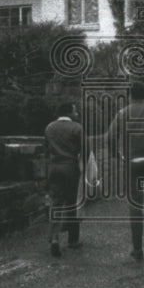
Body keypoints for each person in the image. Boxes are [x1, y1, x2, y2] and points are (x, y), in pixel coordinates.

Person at [102, 82, 144, 260]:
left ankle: (137, 248)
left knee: (135, 204)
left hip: (132, 164)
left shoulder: (122, 114)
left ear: (130, 96)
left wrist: (117, 155)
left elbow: (110, 137)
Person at [44, 101, 83, 257]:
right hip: (71, 168)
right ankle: (73, 240)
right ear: (68, 113)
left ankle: (54, 238)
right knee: (73, 203)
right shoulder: (77, 128)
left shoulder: (49, 128)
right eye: (75, 111)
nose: (77, 114)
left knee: (56, 203)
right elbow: (84, 150)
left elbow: (46, 149)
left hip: (54, 168)